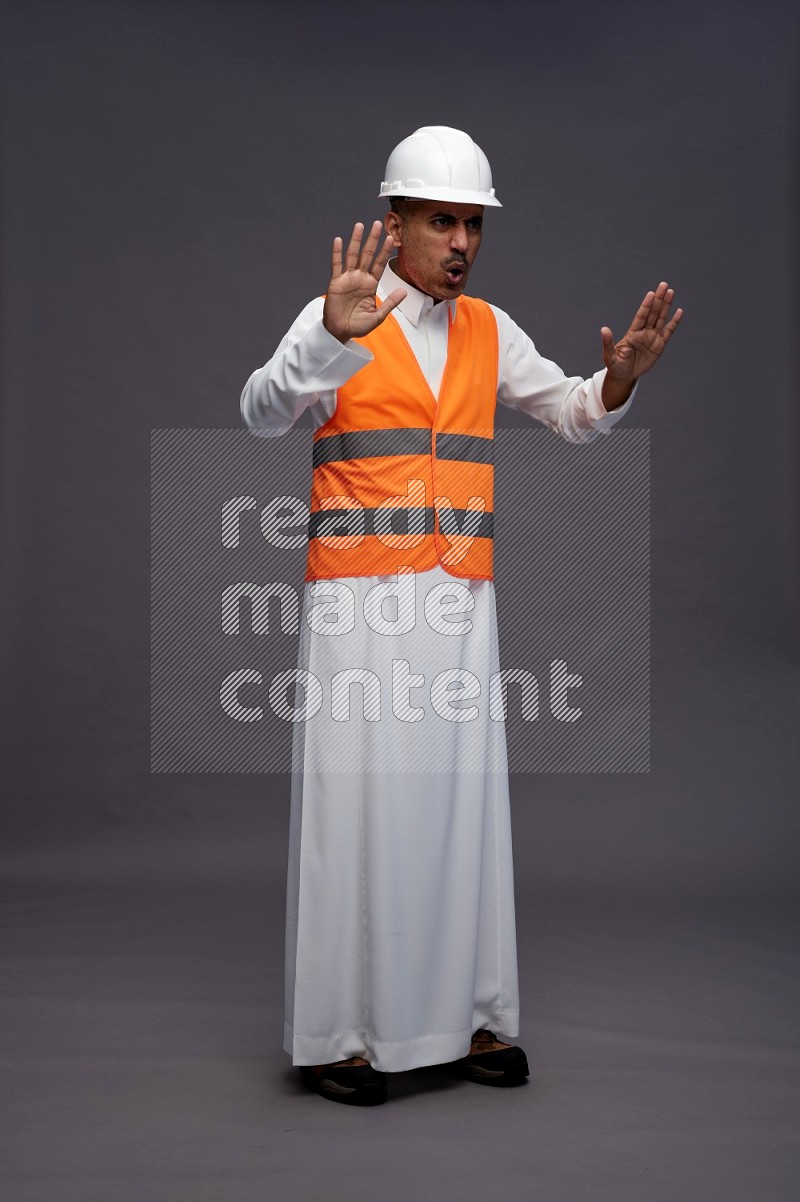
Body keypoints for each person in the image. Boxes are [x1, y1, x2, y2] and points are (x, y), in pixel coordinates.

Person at [240, 126, 682, 1106]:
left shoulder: (488, 329)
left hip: (457, 599)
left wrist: (619, 379)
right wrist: (322, 334)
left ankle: (475, 1015)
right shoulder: (340, 316)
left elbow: (568, 409)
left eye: (471, 222)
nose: (460, 240)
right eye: (440, 219)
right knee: (356, 811)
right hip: (359, 601)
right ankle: (338, 1037)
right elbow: (259, 410)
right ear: (392, 223)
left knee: (461, 806)